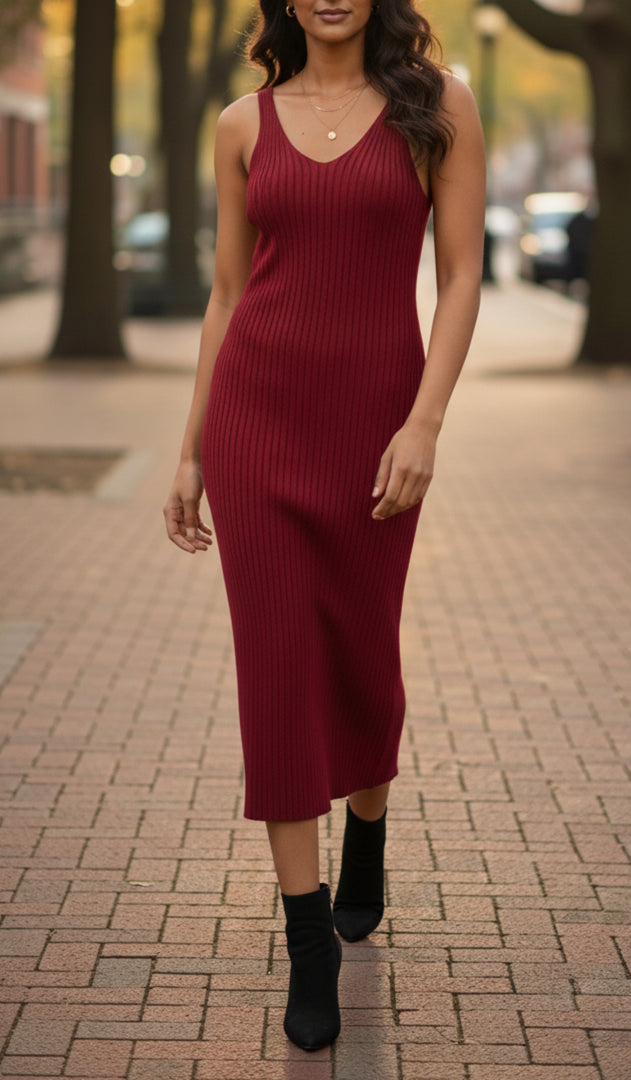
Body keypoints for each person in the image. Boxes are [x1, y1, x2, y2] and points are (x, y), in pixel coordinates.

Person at [163, 0, 485, 1054]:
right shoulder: (241, 124)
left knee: (361, 654)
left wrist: (424, 424)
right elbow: (225, 295)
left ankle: (369, 831)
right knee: (278, 669)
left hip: (378, 428)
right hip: (256, 423)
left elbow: (463, 275)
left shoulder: (440, 106)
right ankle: (308, 940)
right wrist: (192, 449)